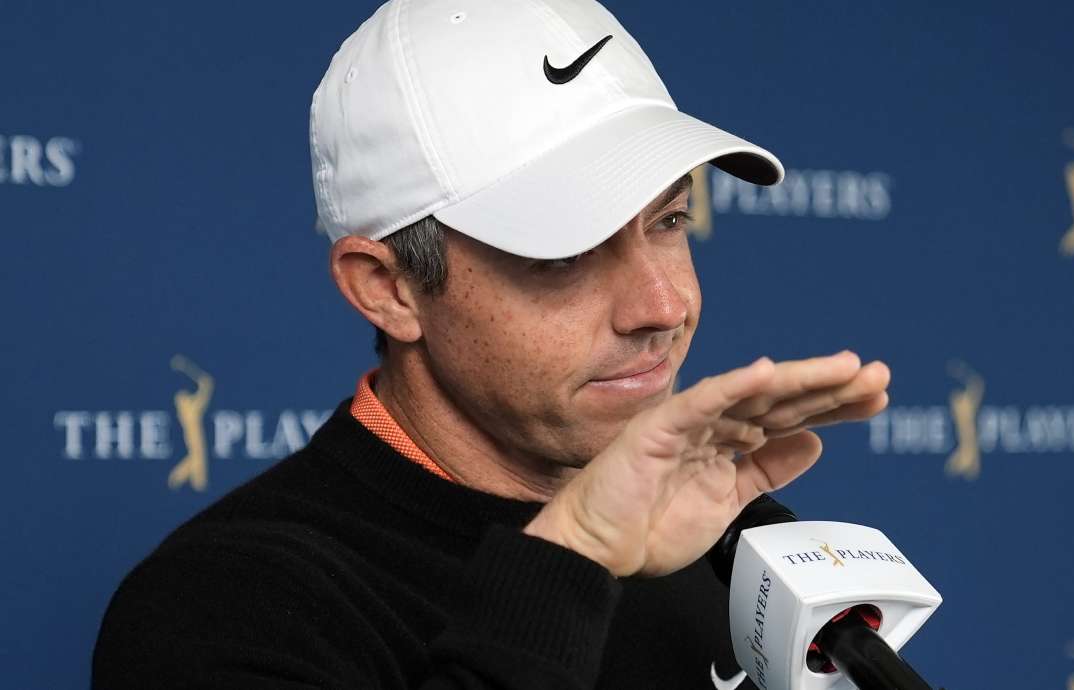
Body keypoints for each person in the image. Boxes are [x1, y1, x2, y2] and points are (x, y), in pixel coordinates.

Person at [92, 0, 891, 687]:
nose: (663, 305)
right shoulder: (220, 611)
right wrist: (572, 554)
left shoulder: (724, 548)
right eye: (564, 255)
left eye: (671, 220)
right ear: (388, 288)